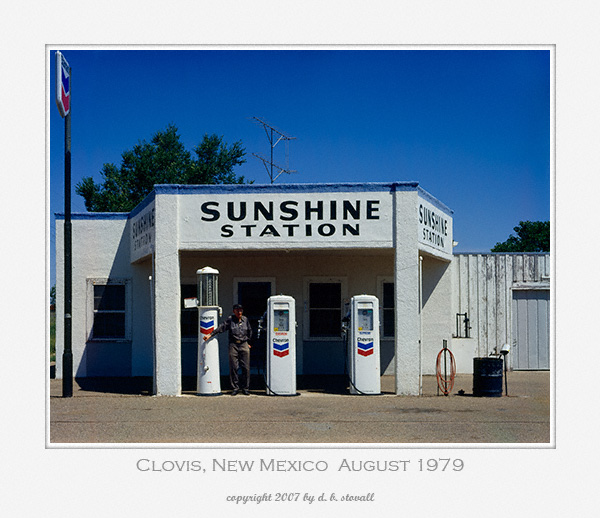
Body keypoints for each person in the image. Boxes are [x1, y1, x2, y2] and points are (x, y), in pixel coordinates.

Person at [204, 304, 252, 395]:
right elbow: (221, 328)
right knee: (234, 367)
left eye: (241, 310)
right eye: (237, 310)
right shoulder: (230, 320)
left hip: (244, 344)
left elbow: (250, 331)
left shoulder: (245, 320)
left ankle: (245, 388)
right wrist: (210, 335)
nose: (239, 312)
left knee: (246, 367)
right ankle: (235, 388)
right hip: (233, 344)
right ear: (234, 311)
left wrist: (249, 343)